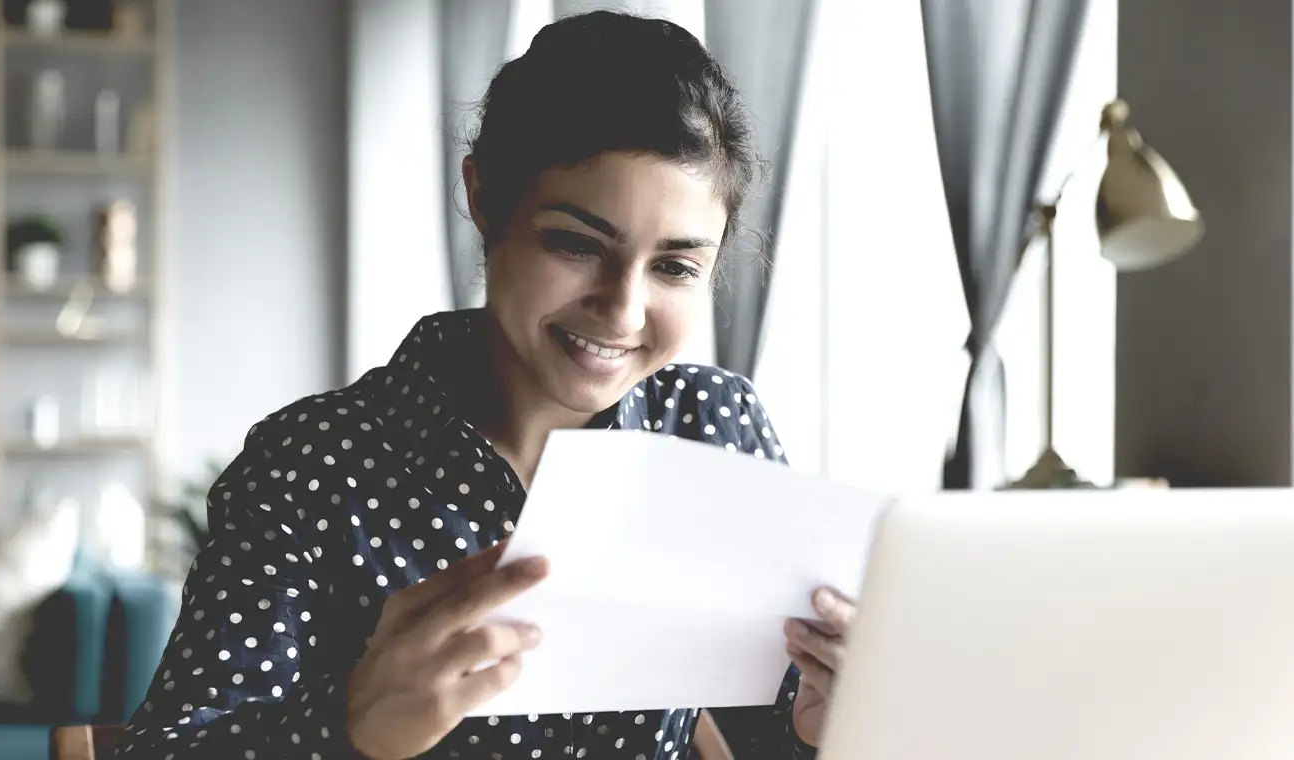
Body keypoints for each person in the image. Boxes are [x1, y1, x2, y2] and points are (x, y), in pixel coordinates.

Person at [115, 10, 853, 760]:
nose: (622, 310)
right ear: (485, 198)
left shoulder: (714, 428)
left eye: (674, 267)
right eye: (576, 243)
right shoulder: (310, 464)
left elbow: (774, 726)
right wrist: (348, 726)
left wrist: (838, 729)